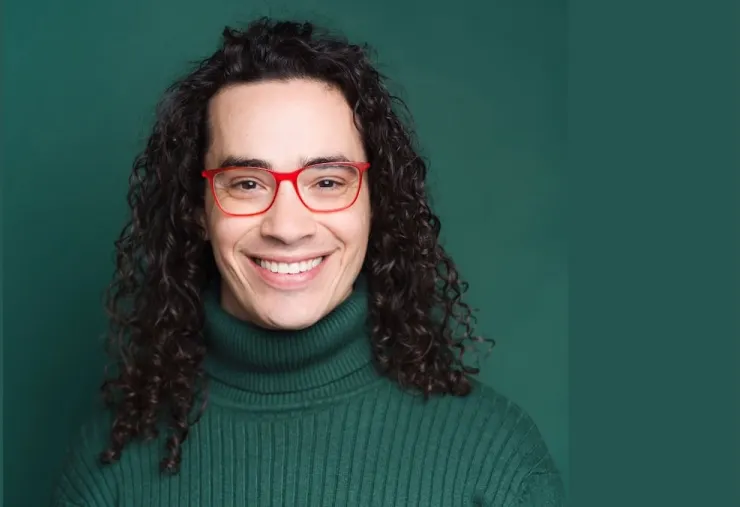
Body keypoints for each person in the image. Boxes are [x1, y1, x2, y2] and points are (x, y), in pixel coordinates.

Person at [51, 17, 565, 507]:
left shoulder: (499, 463)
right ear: (198, 209)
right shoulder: (109, 461)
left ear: (373, 202)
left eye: (327, 182)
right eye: (248, 184)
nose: (288, 226)